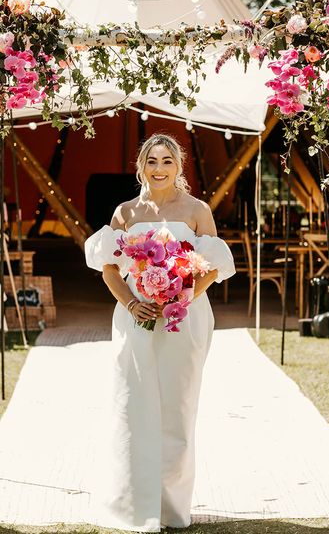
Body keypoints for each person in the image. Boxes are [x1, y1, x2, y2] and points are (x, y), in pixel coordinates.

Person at [84, 132, 235, 532]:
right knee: (134, 404)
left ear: (179, 166)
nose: (159, 168)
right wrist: (132, 303)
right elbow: (109, 269)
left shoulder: (198, 210)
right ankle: (134, 503)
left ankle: (172, 508)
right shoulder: (125, 213)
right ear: (141, 166)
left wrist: (180, 297)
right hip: (135, 318)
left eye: (167, 161)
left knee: (178, 406)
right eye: (152, 161)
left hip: (184, 319)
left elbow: (214, 264)